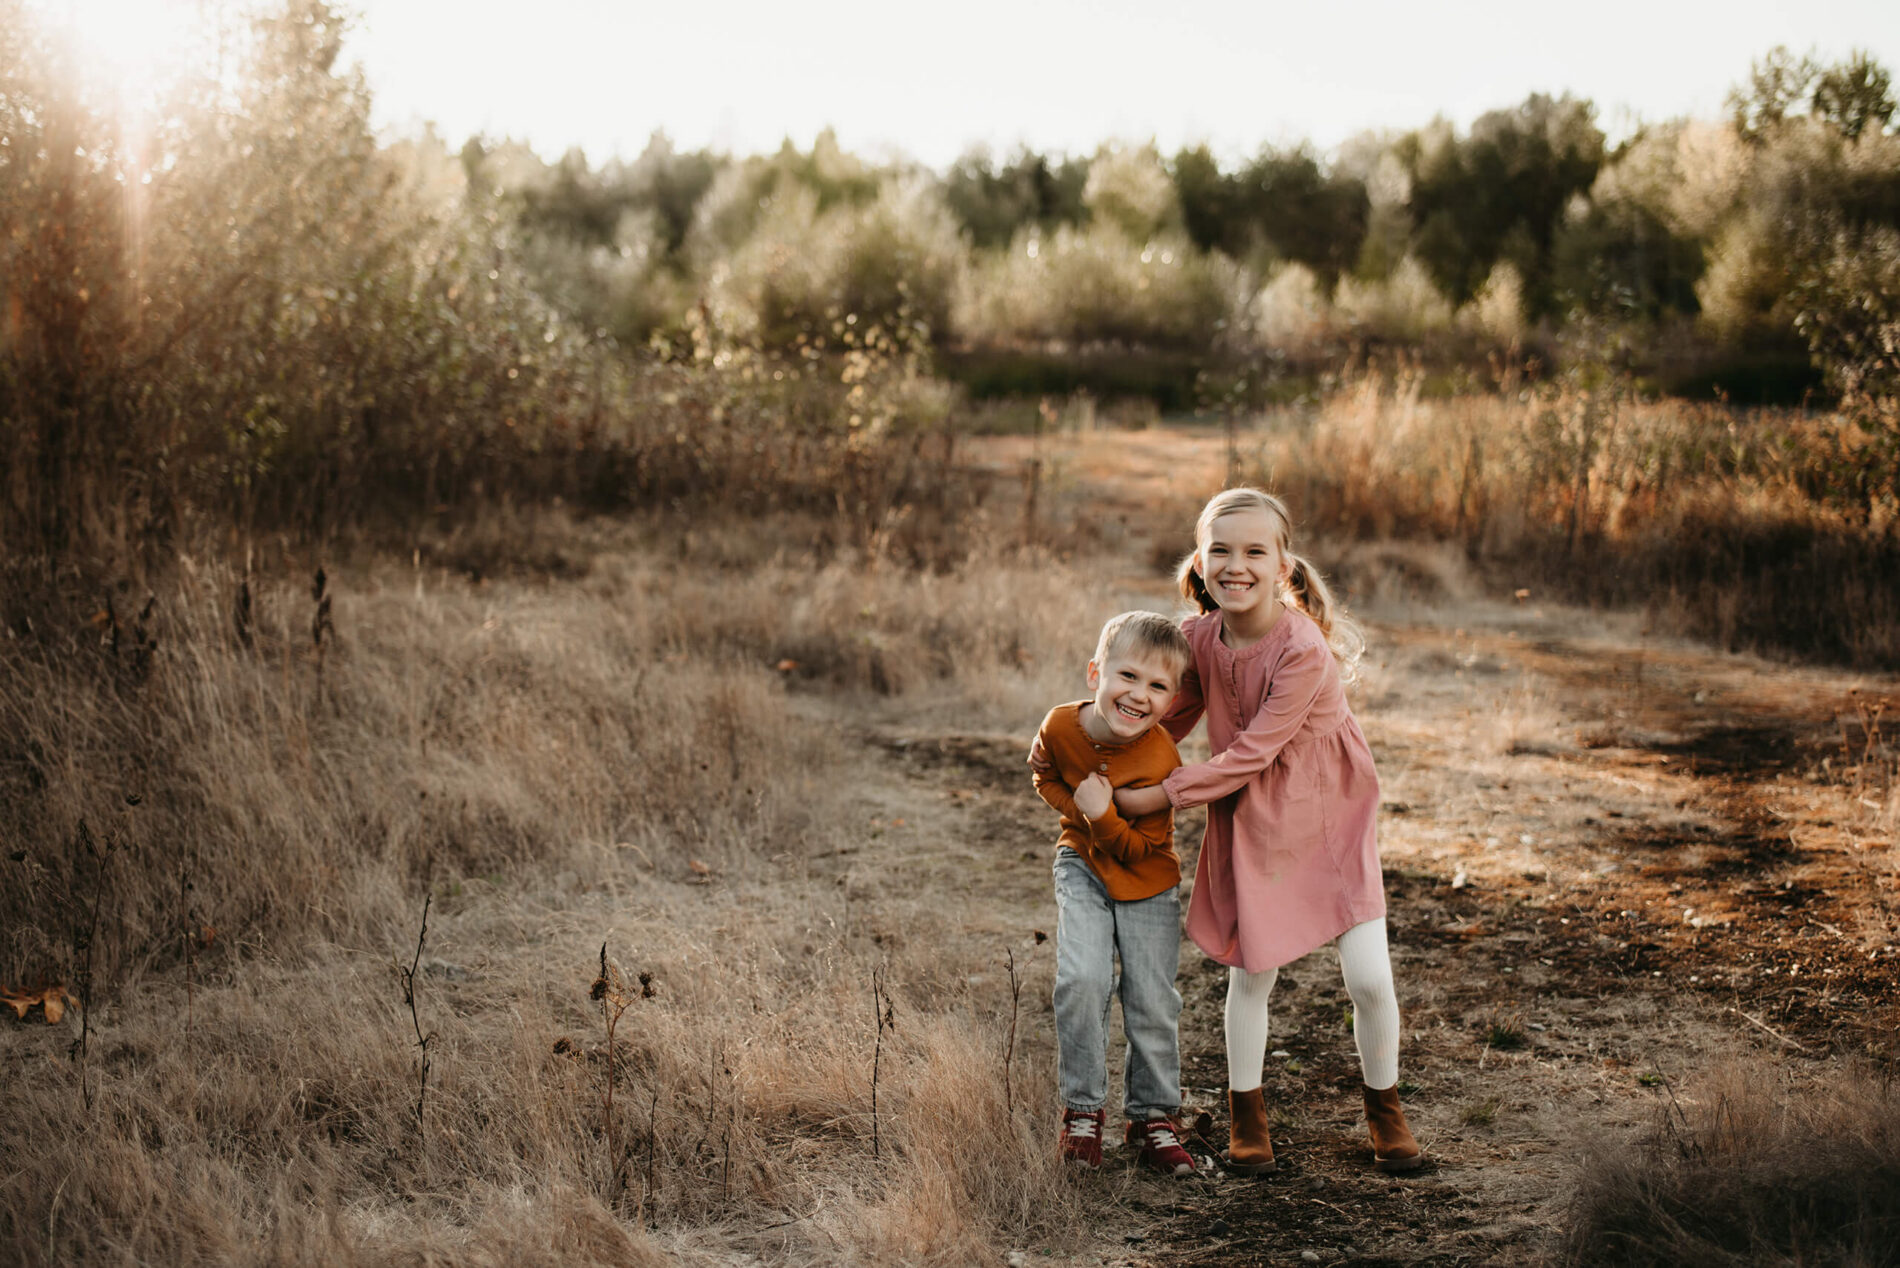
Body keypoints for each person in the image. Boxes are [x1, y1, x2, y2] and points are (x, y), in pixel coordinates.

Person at [1107, 487, 1423, 1175]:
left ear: (1283, 565)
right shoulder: (1196, 639)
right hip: (1251, 815)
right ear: (1200, 558)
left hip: (1328, 810)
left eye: (1255, 551)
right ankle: (1247, 1114)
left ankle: (1385, 1111)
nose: (1235, 564)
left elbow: (1251, 754)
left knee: (1368, 977)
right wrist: (1094, 738)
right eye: (1220, 549)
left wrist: (1157, 797)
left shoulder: (1303, 649)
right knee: (1252, 972)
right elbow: (1163, 718)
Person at [1031, 610, 1197, 1176]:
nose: (1138, 695)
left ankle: (1152, 1117)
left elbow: (1136, 851)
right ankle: (1082, 1113)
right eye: (1127, 676)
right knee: (1082, 979)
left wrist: (1102, 814)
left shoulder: (1161, 758)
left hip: (1147, 881)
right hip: (1081, 867)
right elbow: (1044, 773)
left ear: (1172, 700)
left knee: (1151, 1000)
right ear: (1095, 672)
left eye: (1157, 686)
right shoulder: (1059, 726)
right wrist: (1081, 810)